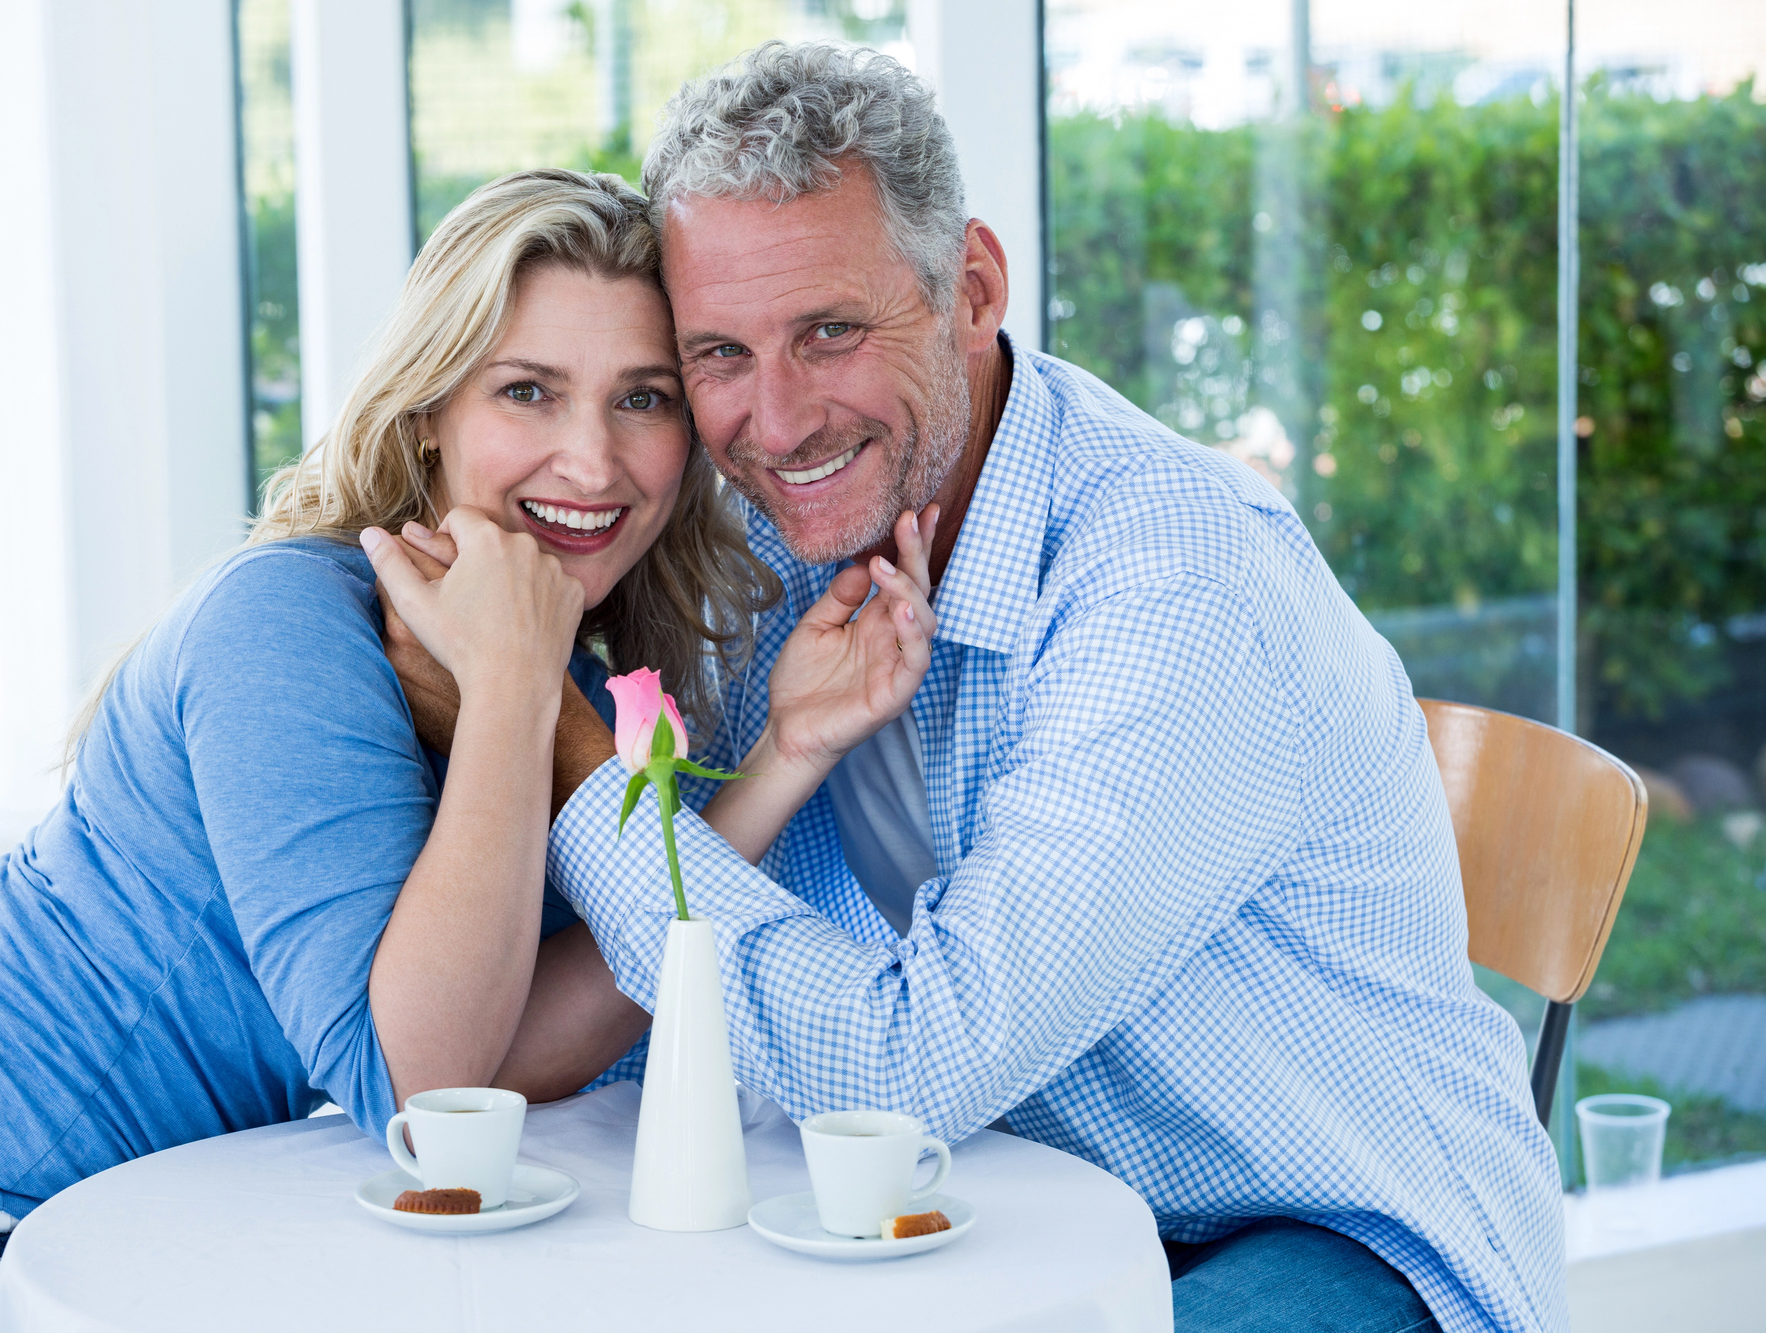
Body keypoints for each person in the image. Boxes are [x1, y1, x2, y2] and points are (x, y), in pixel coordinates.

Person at [377, 44, 1564, 1333]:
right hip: (1001, 1207)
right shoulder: (769, 534)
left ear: (973, 288)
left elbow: (907, 1063)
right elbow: (648, 988)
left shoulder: (1175, 585)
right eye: (719, 352)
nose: (773, 426)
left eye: (828, 332)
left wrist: (551, 719)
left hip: (1324, 1231)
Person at [0, 169, 789, 1330]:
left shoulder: (568, 681)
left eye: (642, 398)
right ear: (428, 416)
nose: (593, 462)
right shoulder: (289, 622)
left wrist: (777, 766)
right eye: (527, 391)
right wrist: (513, 690)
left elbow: (509, 1053)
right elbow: (429, 1095)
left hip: (60, 1229)